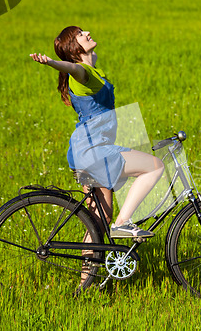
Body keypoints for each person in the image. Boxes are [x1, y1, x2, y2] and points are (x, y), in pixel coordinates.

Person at [30, 26, 164, 239]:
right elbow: (72, 68)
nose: (88, 33)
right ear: (74, 48)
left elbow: (83, 61)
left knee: (99, 223)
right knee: (155, 167)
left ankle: (88, 274)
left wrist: (83, 54)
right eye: (80, 35)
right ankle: (124, 223)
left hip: (85, 151)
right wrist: (53, 63)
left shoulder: (93, 71)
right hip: (94, 151)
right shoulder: (82, 74)